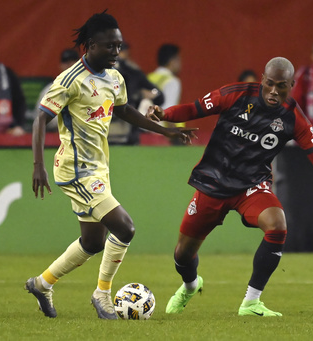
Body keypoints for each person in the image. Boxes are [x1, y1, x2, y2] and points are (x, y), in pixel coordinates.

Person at [146, 57, 313, 317]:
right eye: (269, 84)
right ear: (262, 79)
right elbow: (194, 109)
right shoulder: (234, 95)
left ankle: (251, 302)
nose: (273, 91)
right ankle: (190, 286)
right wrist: (164, 115)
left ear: (291, 85)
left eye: (281, 86)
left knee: (277, 224)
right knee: (182, 255)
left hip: (251, 186)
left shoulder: (293, 118)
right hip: (213, 182)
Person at [25, 10, 196, 319]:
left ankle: (41, 283)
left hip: (98, 168)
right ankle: (102, 293)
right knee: (125, 228)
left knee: (93, 241)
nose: (116, 53)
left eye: (119, 46)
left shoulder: (115, 77)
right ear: (90, 45)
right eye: (110, 47)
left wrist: (167, 130)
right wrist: (37, 165)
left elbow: (125, 110)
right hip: (76, 170)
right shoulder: (69, 80)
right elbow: (40, 118)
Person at [110, 42, 164, 144]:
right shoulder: (96, 72)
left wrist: (144, 94)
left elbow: (159, 96)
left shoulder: (132, 73)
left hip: (127, 129)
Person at [33, 48, 80, 131]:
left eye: (73, 62)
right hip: (55, 135)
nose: (69, 66)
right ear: (60, 66)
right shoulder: (50, 89)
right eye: (66, 62)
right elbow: (40, 118)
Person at [148, 44, 185, 144]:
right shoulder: (172, 81)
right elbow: (168, 110)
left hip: (146, 133)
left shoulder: (148, 78)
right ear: (172, 61)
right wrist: (176, 137)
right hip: (164, 135)